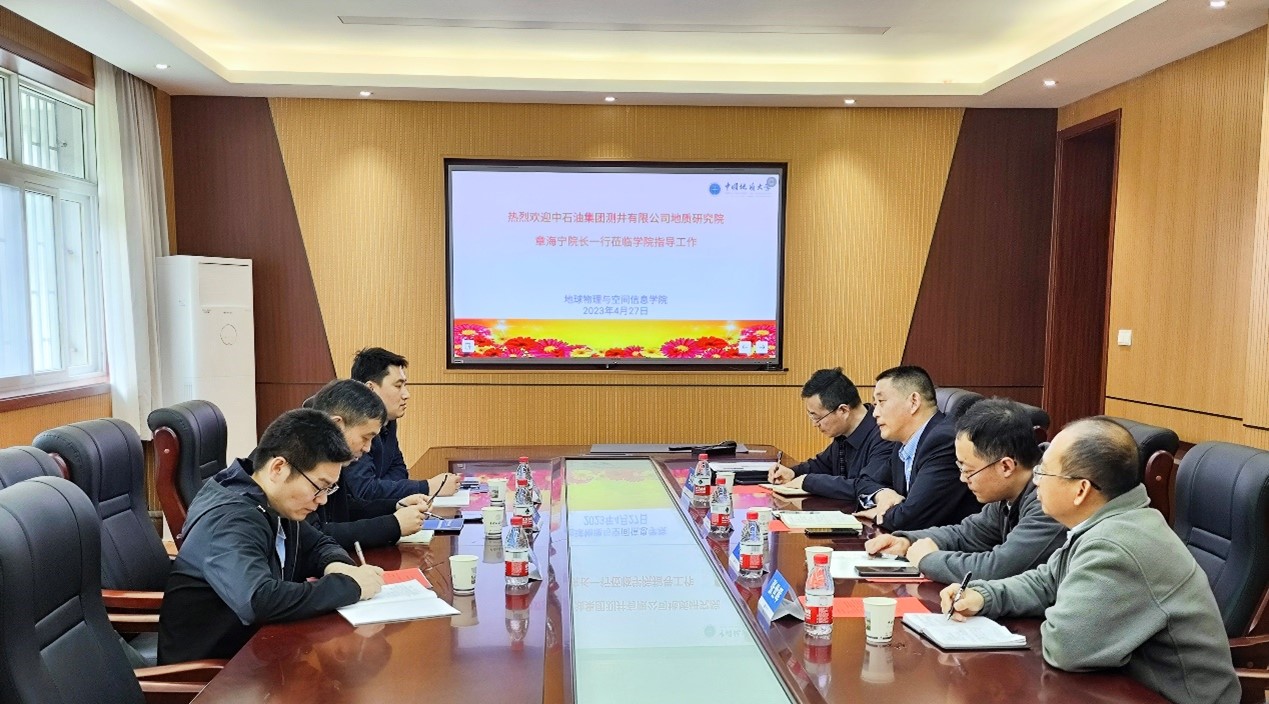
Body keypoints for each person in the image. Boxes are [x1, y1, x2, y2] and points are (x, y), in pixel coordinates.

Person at [941, 417, 1239, 704]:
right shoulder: (1110, 521)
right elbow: (1047, 581)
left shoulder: (1116, 546)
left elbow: (1066, 648)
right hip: (1121, 688)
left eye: (1044, 472)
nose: (1035, 481)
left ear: (1081, 489)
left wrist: (1045, 619)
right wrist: (985, 595)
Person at [158, 409, 385, 664]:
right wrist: (350, 587)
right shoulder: (230, 520)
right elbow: (258, 600)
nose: (322, 500)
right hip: (212, 672)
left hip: (259, 653)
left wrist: (339, 566)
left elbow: (318, 544)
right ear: (278, 468)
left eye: (329, 489)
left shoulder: (271, 499)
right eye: (319, 487)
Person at [864, 398, 1066, 582]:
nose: (962, 478)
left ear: (1006, 466)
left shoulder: (1052, 499)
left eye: (968, 470)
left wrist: (928, 559)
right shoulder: (1010, 492)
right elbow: (966, 534)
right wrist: (907, 541)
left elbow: (998, 568)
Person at [306, 379, 431, 550]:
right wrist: (393, 525)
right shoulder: (301, 464)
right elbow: (315, 535)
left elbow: (347, 508)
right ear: (337, 425)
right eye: (365, 438)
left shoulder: (332, 458)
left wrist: (396, 505)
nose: (367, 448)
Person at [855, 365, 978, 530]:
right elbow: (864, 480)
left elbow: (910, 519)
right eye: (875, 404)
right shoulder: (903, 442)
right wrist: (882, 494)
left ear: (913, 402)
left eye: (881, 402)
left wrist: (880, 513)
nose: (875, 413)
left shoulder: (944, 442)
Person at [342, 347, 459, 503]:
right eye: (398, 386)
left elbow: (399, 469)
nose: (406, 394)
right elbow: (364, 489)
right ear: (370, 389)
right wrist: (427, 487)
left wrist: (381, 486)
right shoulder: (352, 426)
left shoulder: (388, 420)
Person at [767, 367, 893, 501]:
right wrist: (793, 472)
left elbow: (868, 487)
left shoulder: (884, 435)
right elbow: (822, 465)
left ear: (843, 410)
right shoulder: (844, 434)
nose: (815, 424)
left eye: (817, 417)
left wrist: (808, 481)